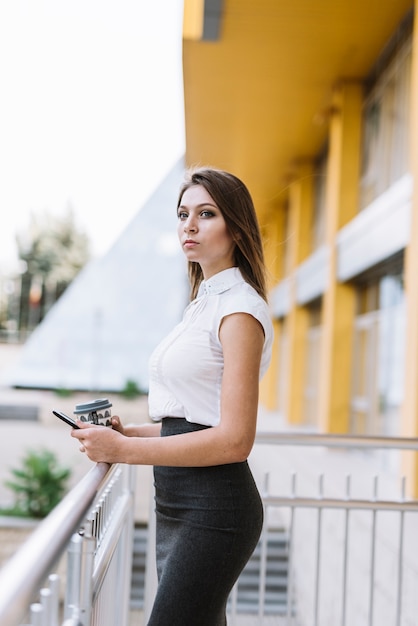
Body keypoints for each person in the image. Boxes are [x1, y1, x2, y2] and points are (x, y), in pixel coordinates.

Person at [71, 167, 274, 625]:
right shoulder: (202, 303)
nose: (189, 225)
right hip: (177, 497)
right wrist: (130, 433)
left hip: (215, 508)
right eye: (183, 214)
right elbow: (192, 417)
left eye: (206, 213)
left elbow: (235, 439)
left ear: (237, 227)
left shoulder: (239, 310)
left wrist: (125, 450)